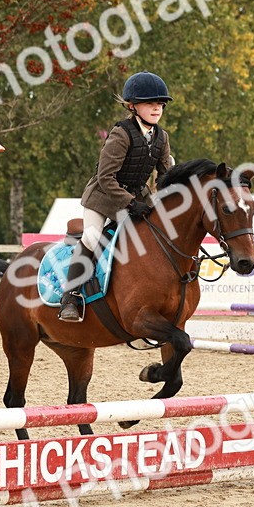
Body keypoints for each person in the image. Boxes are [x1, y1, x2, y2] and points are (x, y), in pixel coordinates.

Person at [58, 72, 175, 322]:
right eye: (149, 103)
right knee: (91, 238)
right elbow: (105, 178)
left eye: (160, 103)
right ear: (132, 106)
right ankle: (70, 296)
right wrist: (130, 203)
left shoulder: (162, 137)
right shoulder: (121, 134)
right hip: (103, 197)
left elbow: (165, 177)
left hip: (138, 196)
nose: (157, 107)